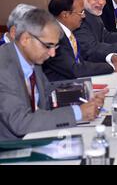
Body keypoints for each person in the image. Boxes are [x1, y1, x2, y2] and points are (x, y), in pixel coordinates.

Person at [0, 9, 107, 140]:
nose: (52, 54)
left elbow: (47, 91)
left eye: (55, 47)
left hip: (35, 136)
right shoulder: (4, 68)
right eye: (48, 46)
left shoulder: (30, 56)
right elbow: (21, 122)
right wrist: (78, 113)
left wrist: (85, 93)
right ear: (25, 39)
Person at [43, 0, 117, 82]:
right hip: (60, 90)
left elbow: (85, 56)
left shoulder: (68, 31)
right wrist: (111, 66)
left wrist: (110, 58)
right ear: (65, 15)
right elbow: (75, 69)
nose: (83, 16)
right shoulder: (53, 37)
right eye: (80, 12)